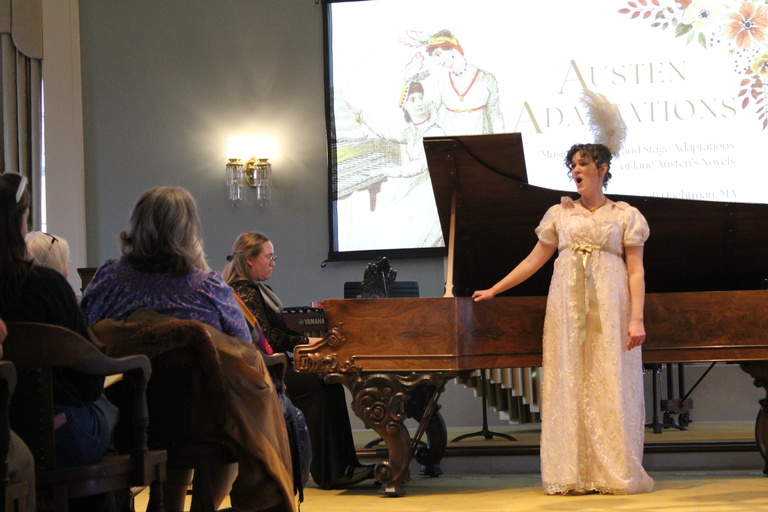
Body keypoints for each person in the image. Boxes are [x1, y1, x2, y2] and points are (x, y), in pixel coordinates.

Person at [80, 186, 295, 512]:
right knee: (232, 418)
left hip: (124, 422)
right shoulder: (209, 288)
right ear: (189, 231)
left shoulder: (108, 280)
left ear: (137, 227)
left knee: (172, 421)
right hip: (201, 422)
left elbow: (84, 339)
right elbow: (243, 350)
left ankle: (164, 502)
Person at [472, 143, 654, 495]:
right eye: (572, 165)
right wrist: (495, 289)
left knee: (609, 379)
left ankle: (611, 470)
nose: (575, 170)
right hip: (567, 308)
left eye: (583, 164)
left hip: (610, 306)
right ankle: (572, 471)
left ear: (602, 168)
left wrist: (637, 318)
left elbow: (636, 272)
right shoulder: (560, 214)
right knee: (569, 379)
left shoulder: (625, 215)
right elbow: (533, 261)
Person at [0, 172, 118, 512]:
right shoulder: (47, 286)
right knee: (107, 409)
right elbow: (88, 376)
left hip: (10, 426)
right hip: (54, 431)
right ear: (21, 220)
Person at [222, 231, 375, 490]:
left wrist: (309, 339)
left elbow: (280, 328)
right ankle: (332, 472)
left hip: (268, 364)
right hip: (259, 372)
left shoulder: (257, 290)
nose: (273, 262)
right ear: (249, 260)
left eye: (274, 257)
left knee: (328, 382)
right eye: (268, 257)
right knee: (318, 385)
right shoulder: (244, 291)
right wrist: (306, 343)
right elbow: (266, 336)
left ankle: (345, 466)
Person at [349, 78, 445, 247]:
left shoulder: (435, 131)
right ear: (405, 107)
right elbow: (386, 132)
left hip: (430, 196)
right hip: (414, 192)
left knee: (401, 233)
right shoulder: (411, 132)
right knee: (370, 227)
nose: (419, 103)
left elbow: (421, 166)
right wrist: (362, 114)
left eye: (421, 97)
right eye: (412, 100)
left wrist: (386, 171)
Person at [425, 29, 504, 135]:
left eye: (438, 54)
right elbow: (429, 115)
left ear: (452, 49)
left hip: (482, 139)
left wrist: (502, 143)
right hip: (452, 143)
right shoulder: (441, 83)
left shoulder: (486, 78)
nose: (438, 62)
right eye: (434, 57)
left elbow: (495, 114)